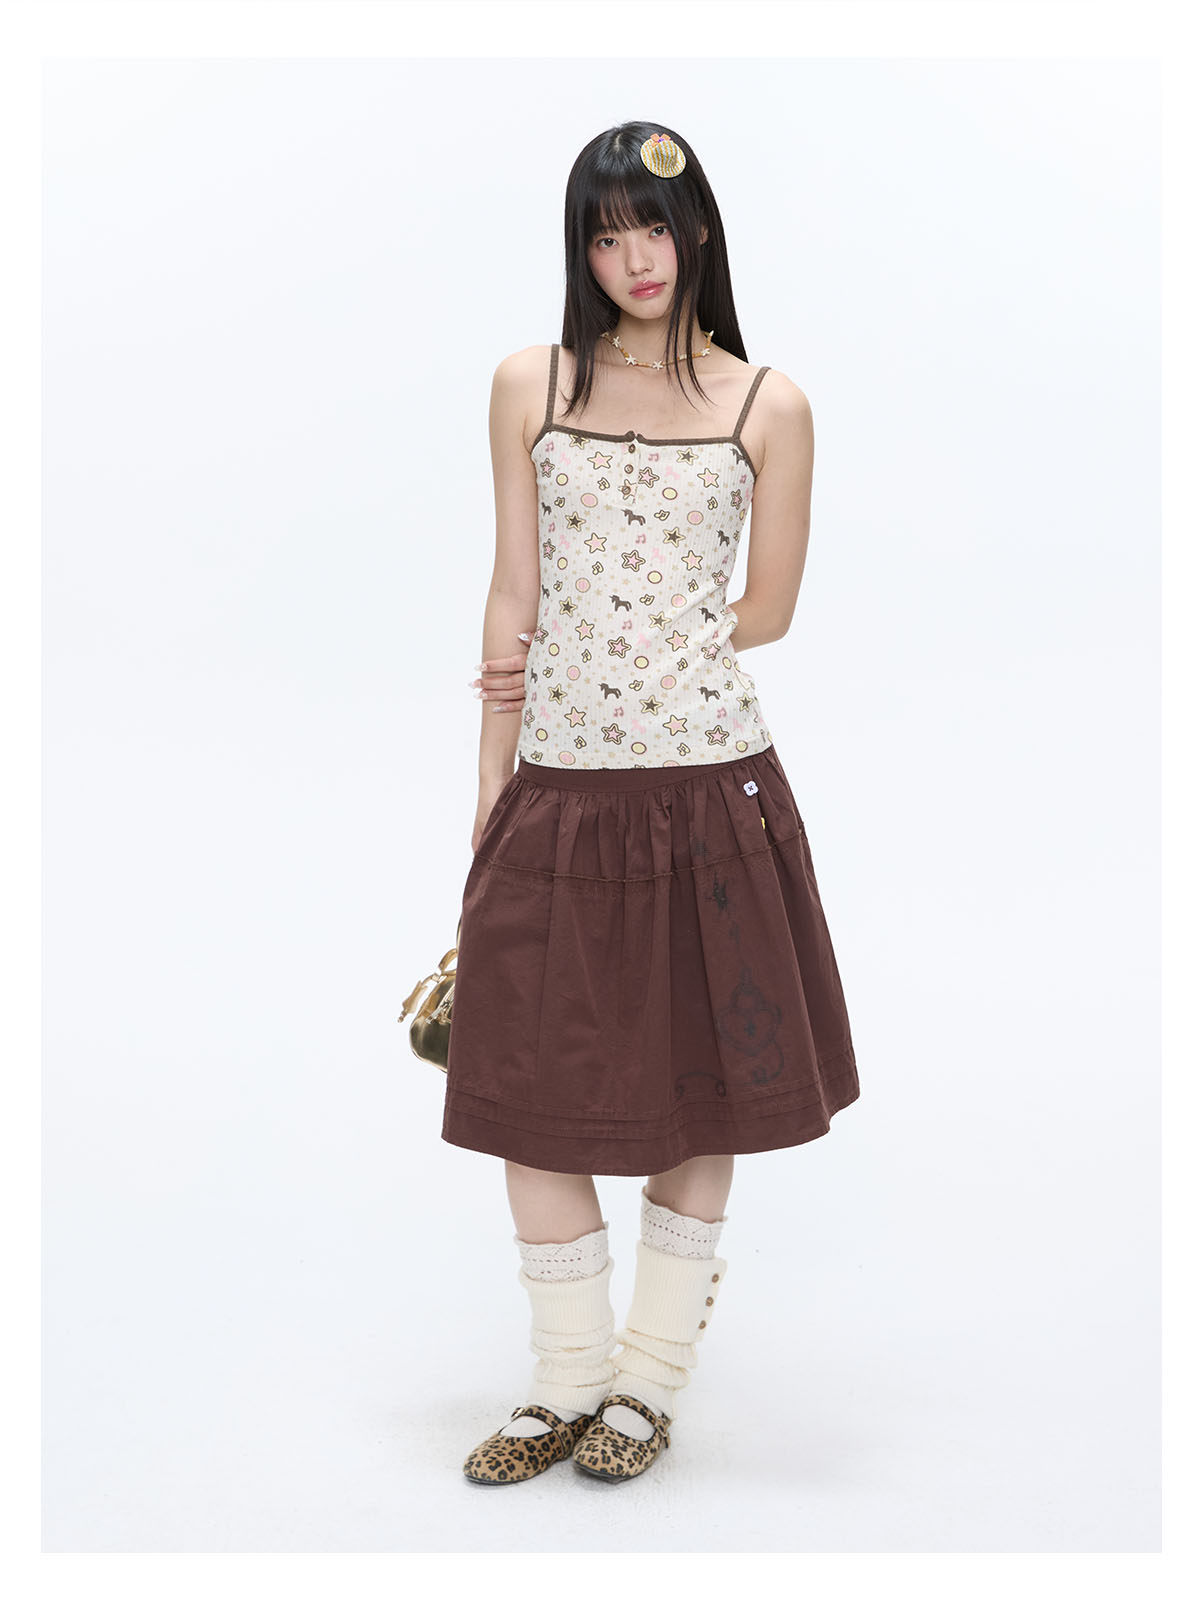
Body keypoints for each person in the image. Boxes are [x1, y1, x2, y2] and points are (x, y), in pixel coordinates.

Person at [442, 123, 860, 1486]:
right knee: (525, 1091)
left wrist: (659, 656)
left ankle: (646, 1386)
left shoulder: (767, 406)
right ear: (581, 249)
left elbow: (770, 609)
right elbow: (512, 592)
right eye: (606, 233)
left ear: (699, 235)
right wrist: (491, 780)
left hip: (708, 788)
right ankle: (564, 1380)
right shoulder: (531, 383)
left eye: (656, 229)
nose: (635, 258)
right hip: (558, 787)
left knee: (702, 1087)